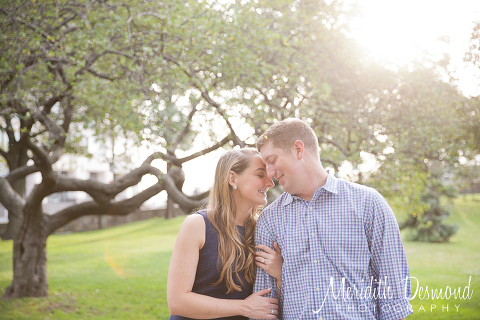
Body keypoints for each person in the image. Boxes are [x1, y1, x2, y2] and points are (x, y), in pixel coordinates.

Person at [252, 118, 414, 320]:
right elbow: (264, 307)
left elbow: (393, 298)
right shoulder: (269, 220)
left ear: (298, 150)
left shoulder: (368, 204)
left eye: (272, 160)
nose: (270, 173)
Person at [167, 148, 283, 319]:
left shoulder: (264, 229)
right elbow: (177, 302)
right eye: (260, 175)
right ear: (232, 178)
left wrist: (280, 275)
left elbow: (268, 304)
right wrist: (243, 307)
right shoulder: (197, 225)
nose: (270, 182)